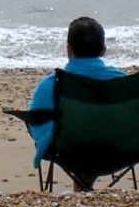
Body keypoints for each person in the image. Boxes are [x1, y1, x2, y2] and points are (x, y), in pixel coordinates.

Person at [27, 16, 127, 190]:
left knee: (43, 124)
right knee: (93, 130)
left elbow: (36, 120)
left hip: (66, 153)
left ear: (68, 49)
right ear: (103, 50)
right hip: (115, 152)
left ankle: (81, 188)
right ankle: (84, 187)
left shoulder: (51, 85)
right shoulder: (123, 82)